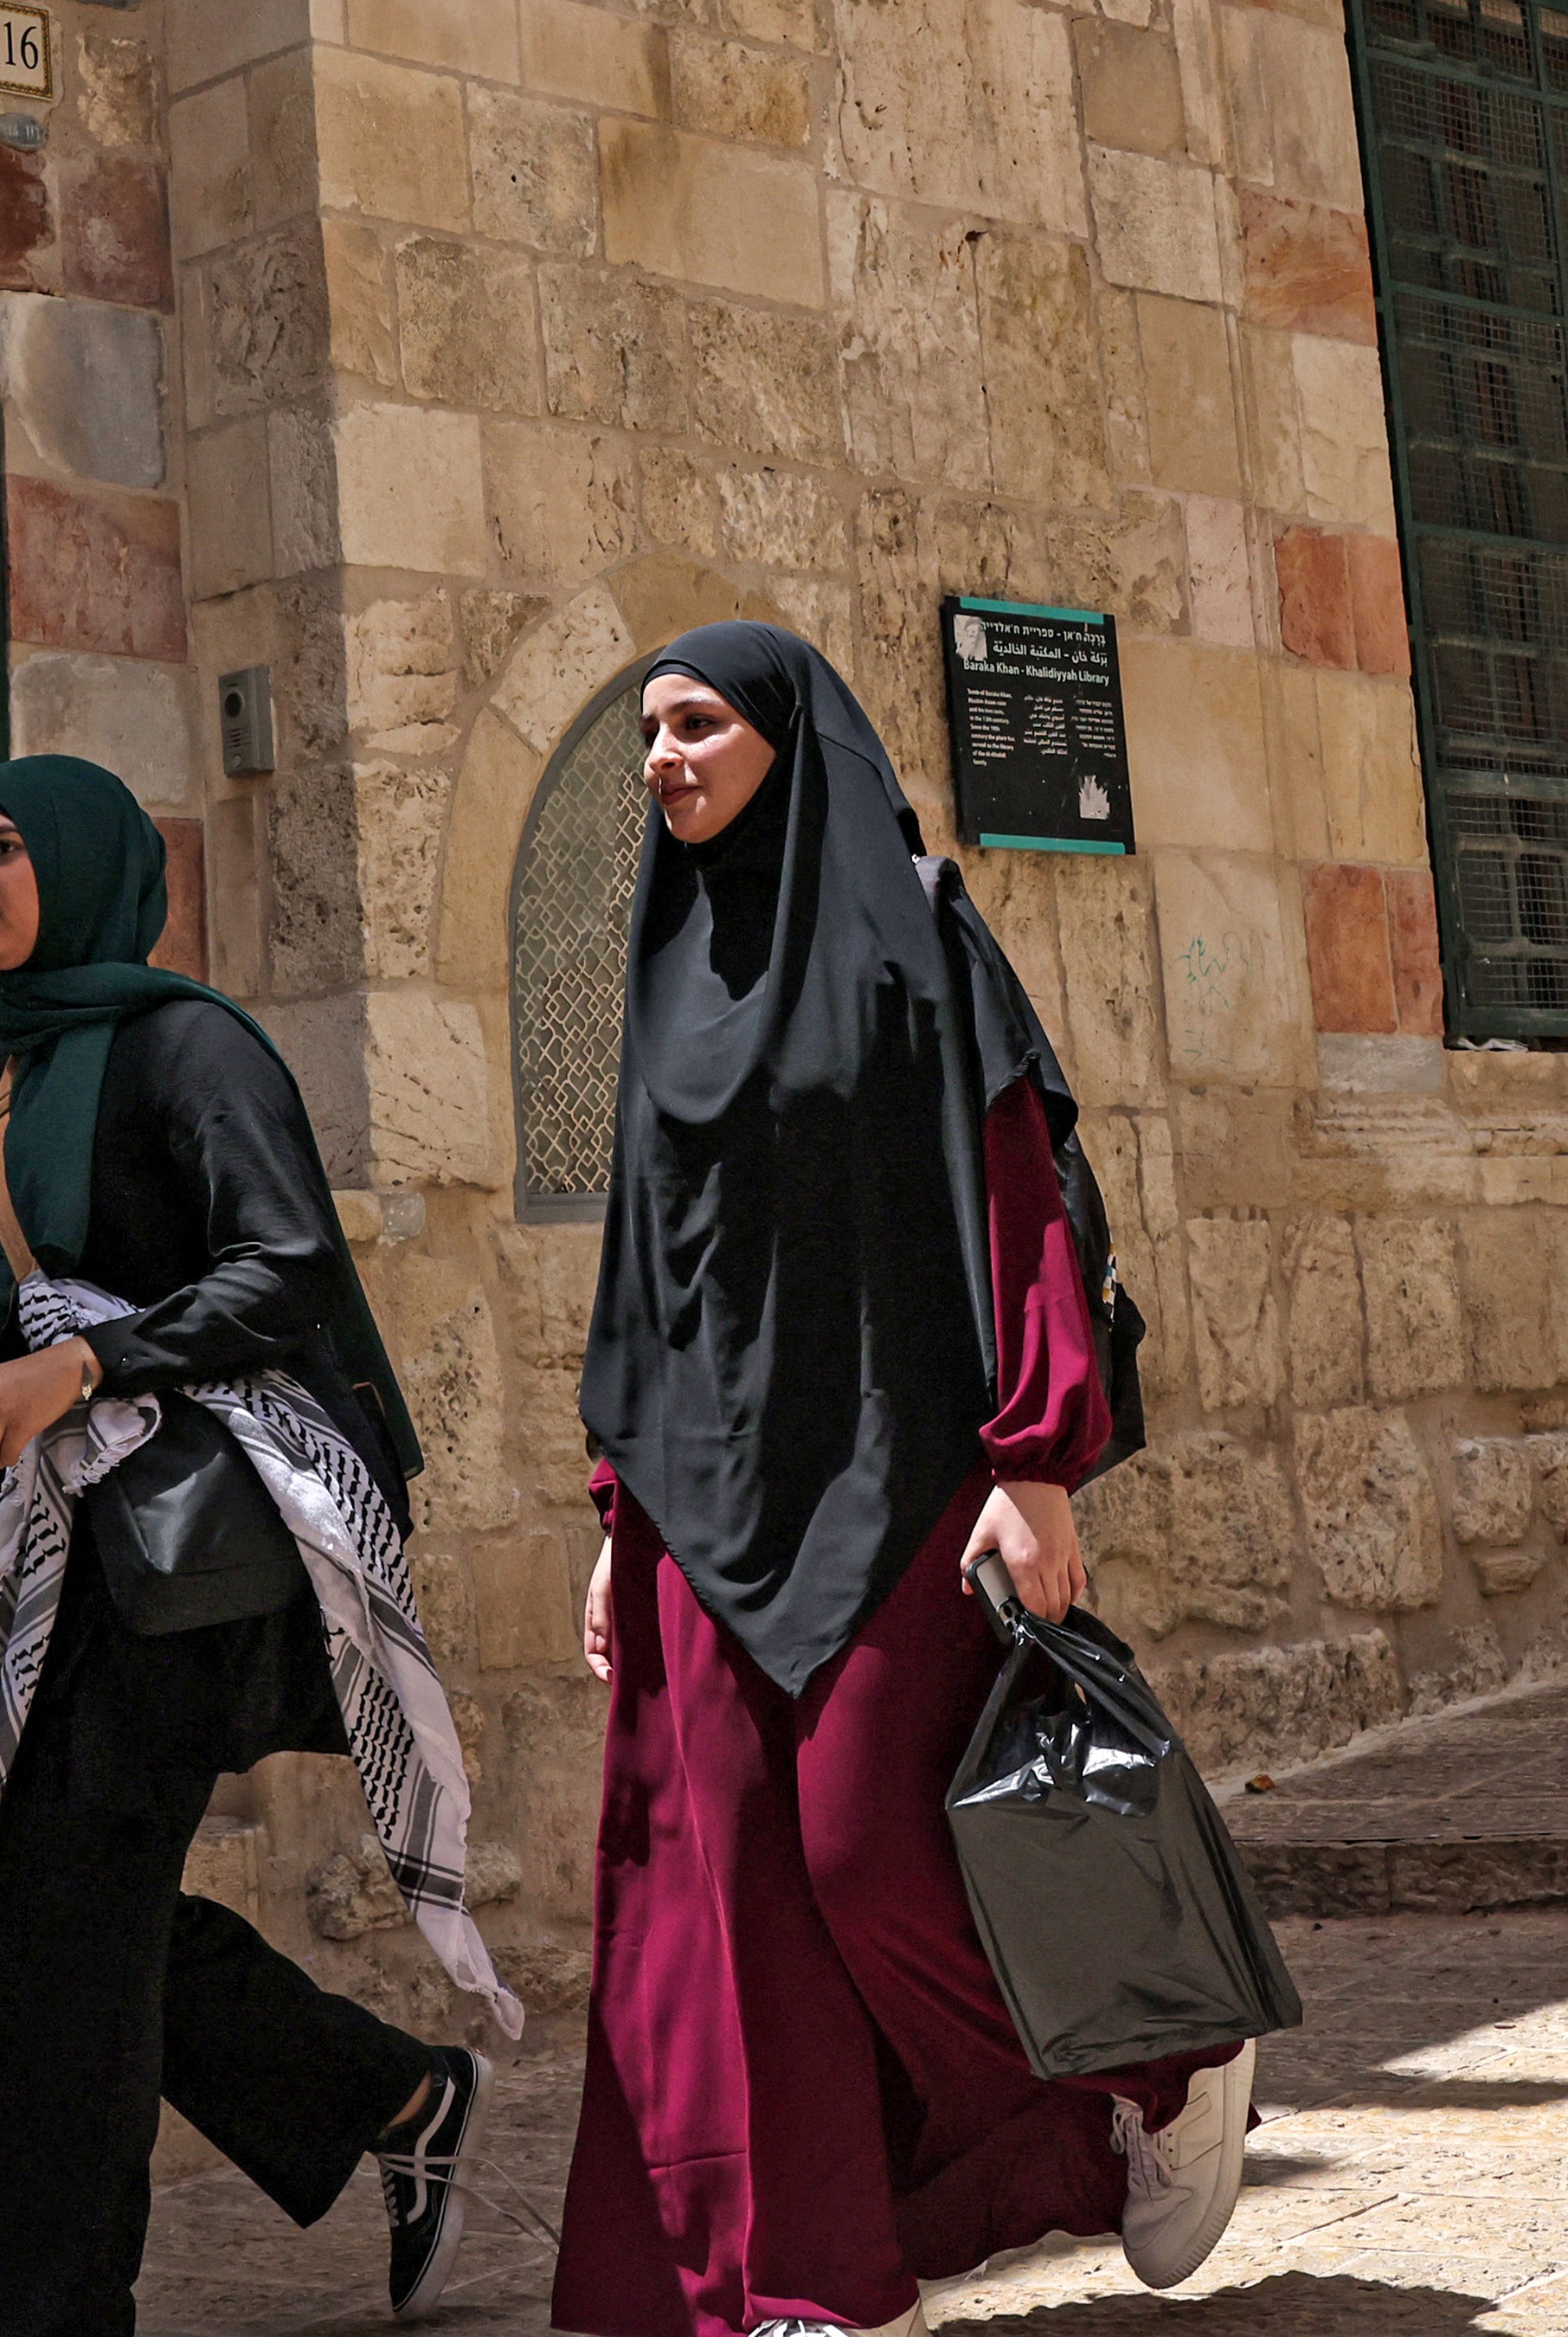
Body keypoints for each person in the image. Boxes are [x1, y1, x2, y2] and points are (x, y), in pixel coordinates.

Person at [553, 625, 1255, 2337]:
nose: (663, 758)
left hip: (901, 1467)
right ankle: (813, 2280)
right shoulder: (663, 968)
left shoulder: (915, 932)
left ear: (790, 738)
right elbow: (653, 1266)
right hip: (703, 1502)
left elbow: (1010, 1192)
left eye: (698, 724)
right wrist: (615, 1516)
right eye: (649, 731)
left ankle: (1162, 2060)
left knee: (872, 1848)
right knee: (733, 1895)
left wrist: (1039, 1457)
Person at [0, 752, 524, 2337]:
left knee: (58, 1931)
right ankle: (392, 2100)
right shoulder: (0, 1077)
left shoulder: (190, 1050)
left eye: (8, 849)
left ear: (86, 864)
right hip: (71, 1552)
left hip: (203, 1547)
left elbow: (283, 1265)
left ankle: (35, 2312)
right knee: (85, 1914)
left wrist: (87, 1363)